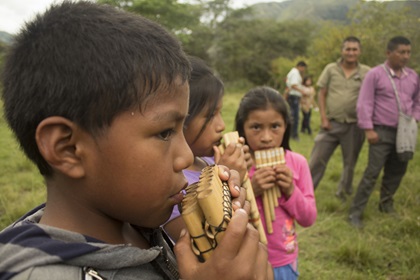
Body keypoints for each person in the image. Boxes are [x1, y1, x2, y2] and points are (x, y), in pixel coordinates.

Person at [0, 2, 271, 279]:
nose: (187, 158)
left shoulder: (135, 220)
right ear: (68, 149)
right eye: (165, 132)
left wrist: (215, 237)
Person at [163, 56, 250, 242]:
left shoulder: (210, 160)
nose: (221, 125)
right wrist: (223, 182)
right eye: (210, 116)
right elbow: (204, 244)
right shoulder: (174, 184)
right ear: (181, 121)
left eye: (220, 112)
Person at [235, 86, 317, 280]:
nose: (266, 138)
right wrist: (251, 190)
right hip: (244, 260)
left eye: (275, 126)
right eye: (256, 127)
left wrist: (290, 190)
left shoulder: (298, 163)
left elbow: (309, 218)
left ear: (286, 126)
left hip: (284, 260)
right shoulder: (236, 164)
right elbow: (222, 217)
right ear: (242, 128)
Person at [348, 36, 420, 228]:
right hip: (381, 132)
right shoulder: (375, 74)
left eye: (408, 52)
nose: (405, 56)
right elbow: (364, 102)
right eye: (401, 52)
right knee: (372, 172)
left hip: (405, 133)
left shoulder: (413, 76)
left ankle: (386, 204)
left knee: (398, 170)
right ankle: (356, 212)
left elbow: (417, 101)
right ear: (389, 53)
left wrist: (415, 117)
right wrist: (368, 129)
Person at [308, 36, 370, 202]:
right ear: (342, 51)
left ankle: (343, 192)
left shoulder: (367, 72)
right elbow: (322, 93)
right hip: (331, 123)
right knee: (317, 159)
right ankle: (307, 191)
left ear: (359, 52)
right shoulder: (330, 69)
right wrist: (323, 118)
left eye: (354, 49)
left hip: (354, 126)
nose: (351, 53)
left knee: (350, 162)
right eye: (347, 49)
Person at [286, 61, 307, 141]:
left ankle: (292, 133)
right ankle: (293, 134)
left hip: (293, 96)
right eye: (303, 68)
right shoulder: (295, 72)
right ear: (300, 66)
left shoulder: (293, 72)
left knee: (293, 116)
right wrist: (302, 91)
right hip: (294, 96)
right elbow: (293, 85)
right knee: (295, 117)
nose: (303, 70)